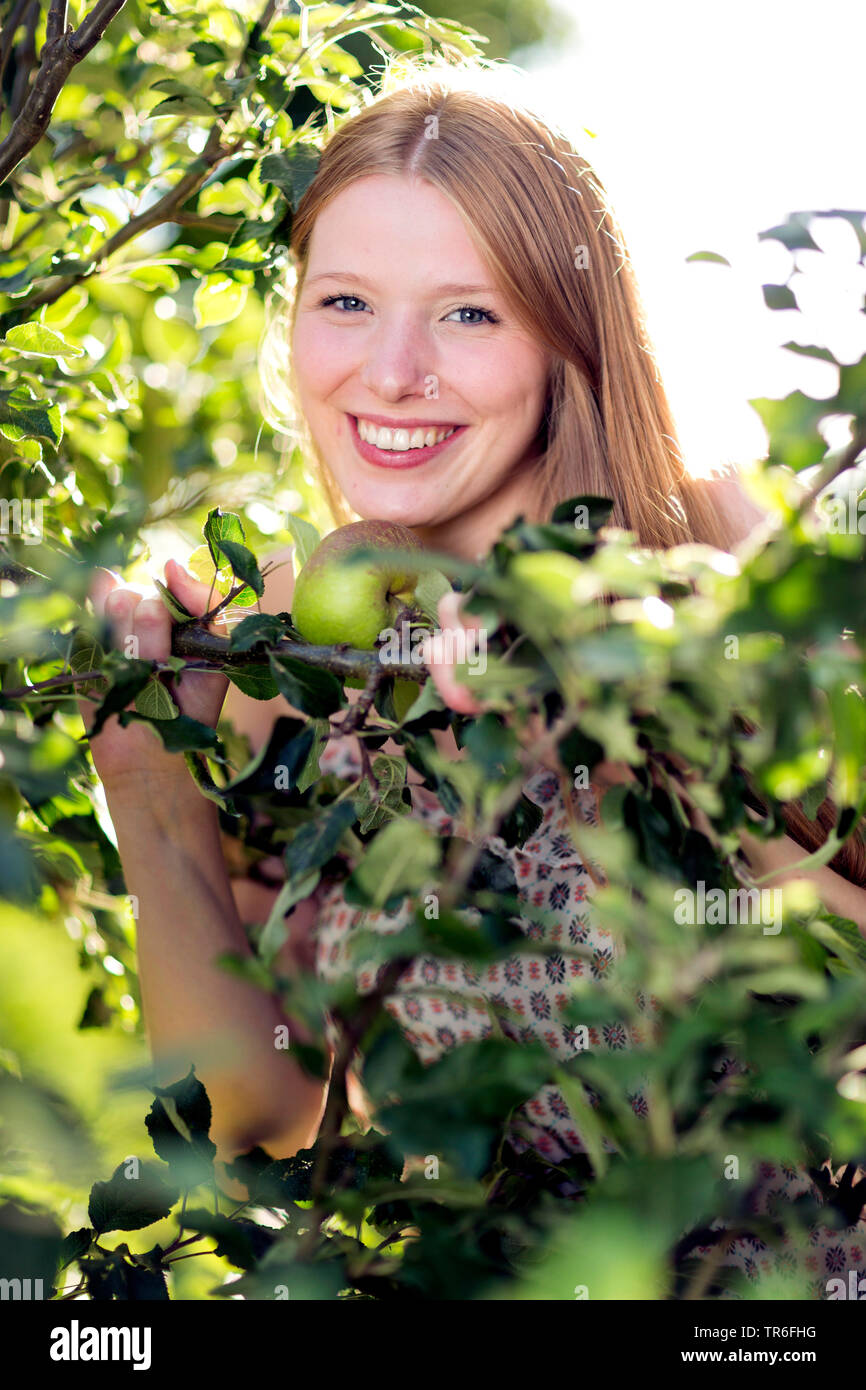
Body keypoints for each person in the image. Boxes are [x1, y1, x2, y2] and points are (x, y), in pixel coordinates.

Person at [88, 58, 866, 1293]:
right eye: (344, 301)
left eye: (467, 312)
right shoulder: (291, 647)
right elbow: (262, 1113)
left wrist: (657, 723)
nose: (392, 372)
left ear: (569, 336)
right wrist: (148, 789)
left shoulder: (712, 559)